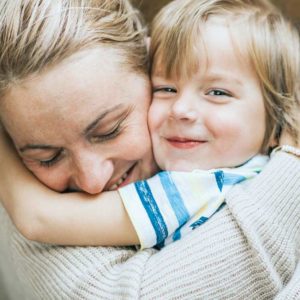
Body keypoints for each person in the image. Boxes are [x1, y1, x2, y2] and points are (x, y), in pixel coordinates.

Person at [0, 0, 299, 299]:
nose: (92, 182)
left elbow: (39, 218)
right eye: (46, 157)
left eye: (110, 130)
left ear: (150, 59)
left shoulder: (196, 184)